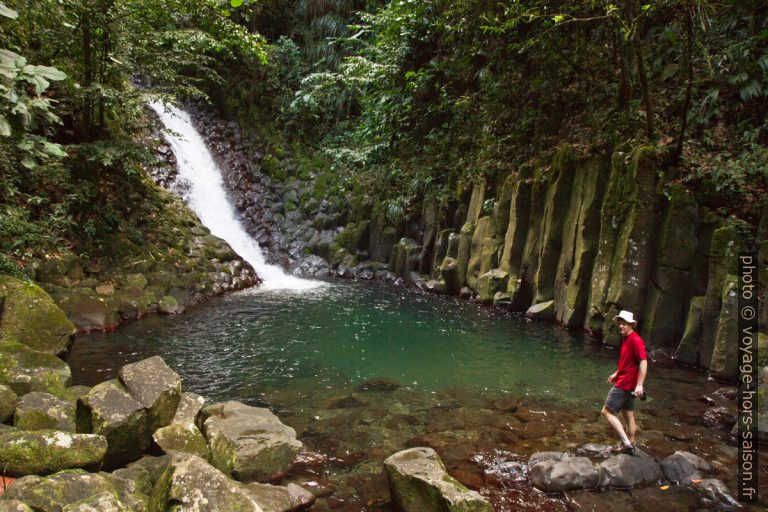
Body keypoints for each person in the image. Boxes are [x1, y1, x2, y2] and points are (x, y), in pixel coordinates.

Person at [601, 310, 647, 455]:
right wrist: (617, 373)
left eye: (624, 324)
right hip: (628, 384)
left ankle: (626, 443)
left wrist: (640, 384)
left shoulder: (635, 340)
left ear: (631, 325)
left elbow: (643, 362)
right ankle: (631, 443)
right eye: (619, 323)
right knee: (628, 415)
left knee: (606, 411)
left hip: (625, 384)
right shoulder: (627, 339)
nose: (621, 326)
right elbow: (629, 362)